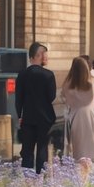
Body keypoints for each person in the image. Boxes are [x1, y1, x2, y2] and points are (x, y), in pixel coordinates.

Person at [15, 41, 57, 173]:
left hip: (28, 118)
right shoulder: (48, 75)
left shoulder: (22, 74)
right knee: (42, 148)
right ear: (40, 55)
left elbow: (18, 99)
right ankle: (41, 176)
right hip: (45, 118)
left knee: (27, 149)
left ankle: (28, 178)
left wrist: (20, 115)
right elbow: (51, 96)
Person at [62, 56, 94, 167]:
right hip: (90, 117)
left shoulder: (67, 85)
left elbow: (64, 98)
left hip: (74, 118)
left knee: (77, 153)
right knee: (91, 154)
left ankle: (80, 179)